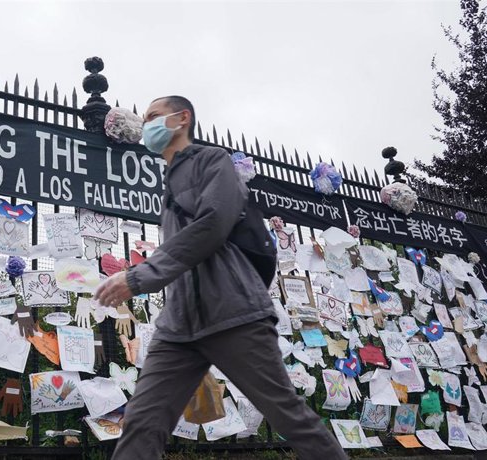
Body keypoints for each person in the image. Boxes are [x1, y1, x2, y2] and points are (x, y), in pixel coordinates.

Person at [94, 96, 348, 460]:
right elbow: (184, 252)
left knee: (286, 414)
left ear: (182, 119)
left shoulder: (212, 161)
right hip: (178, 327)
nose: (146, 123)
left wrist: (138, 277)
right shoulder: (169, 183)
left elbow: (212, 225)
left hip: (233, 313)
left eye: (153, 116)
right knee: (142, 423)